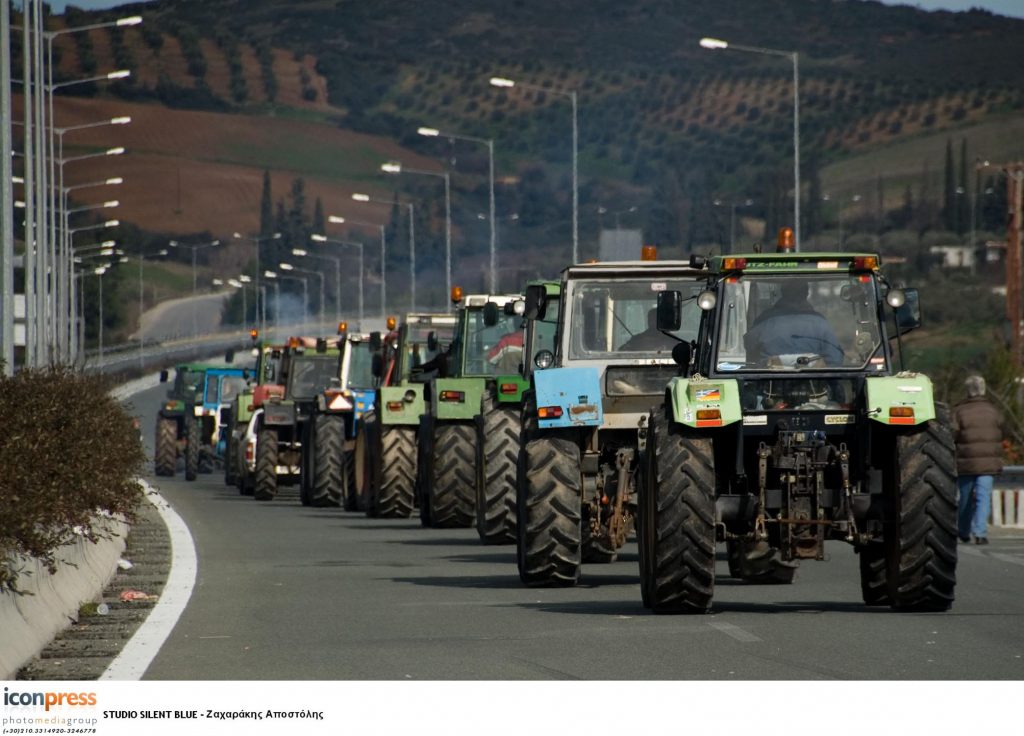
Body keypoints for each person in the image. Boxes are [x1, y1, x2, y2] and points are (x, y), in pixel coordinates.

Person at [953, 374, 1006, 545]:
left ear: (968, 391)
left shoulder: (959, 411)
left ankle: (963, 531)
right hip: (989, 462)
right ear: (983, 389)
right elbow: (1001, 430)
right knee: (984, 496)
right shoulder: (994, 410)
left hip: (966, 462)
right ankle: (981, 533)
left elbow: (953, 434)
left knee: (966, 498)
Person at [744, 280, 844, 366]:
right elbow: (835, 360)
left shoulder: (764, 321)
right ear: (806, 293)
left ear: (783, 292)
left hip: (770, 384)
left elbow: (749, 347)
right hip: (814, 385)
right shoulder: (820, 323)